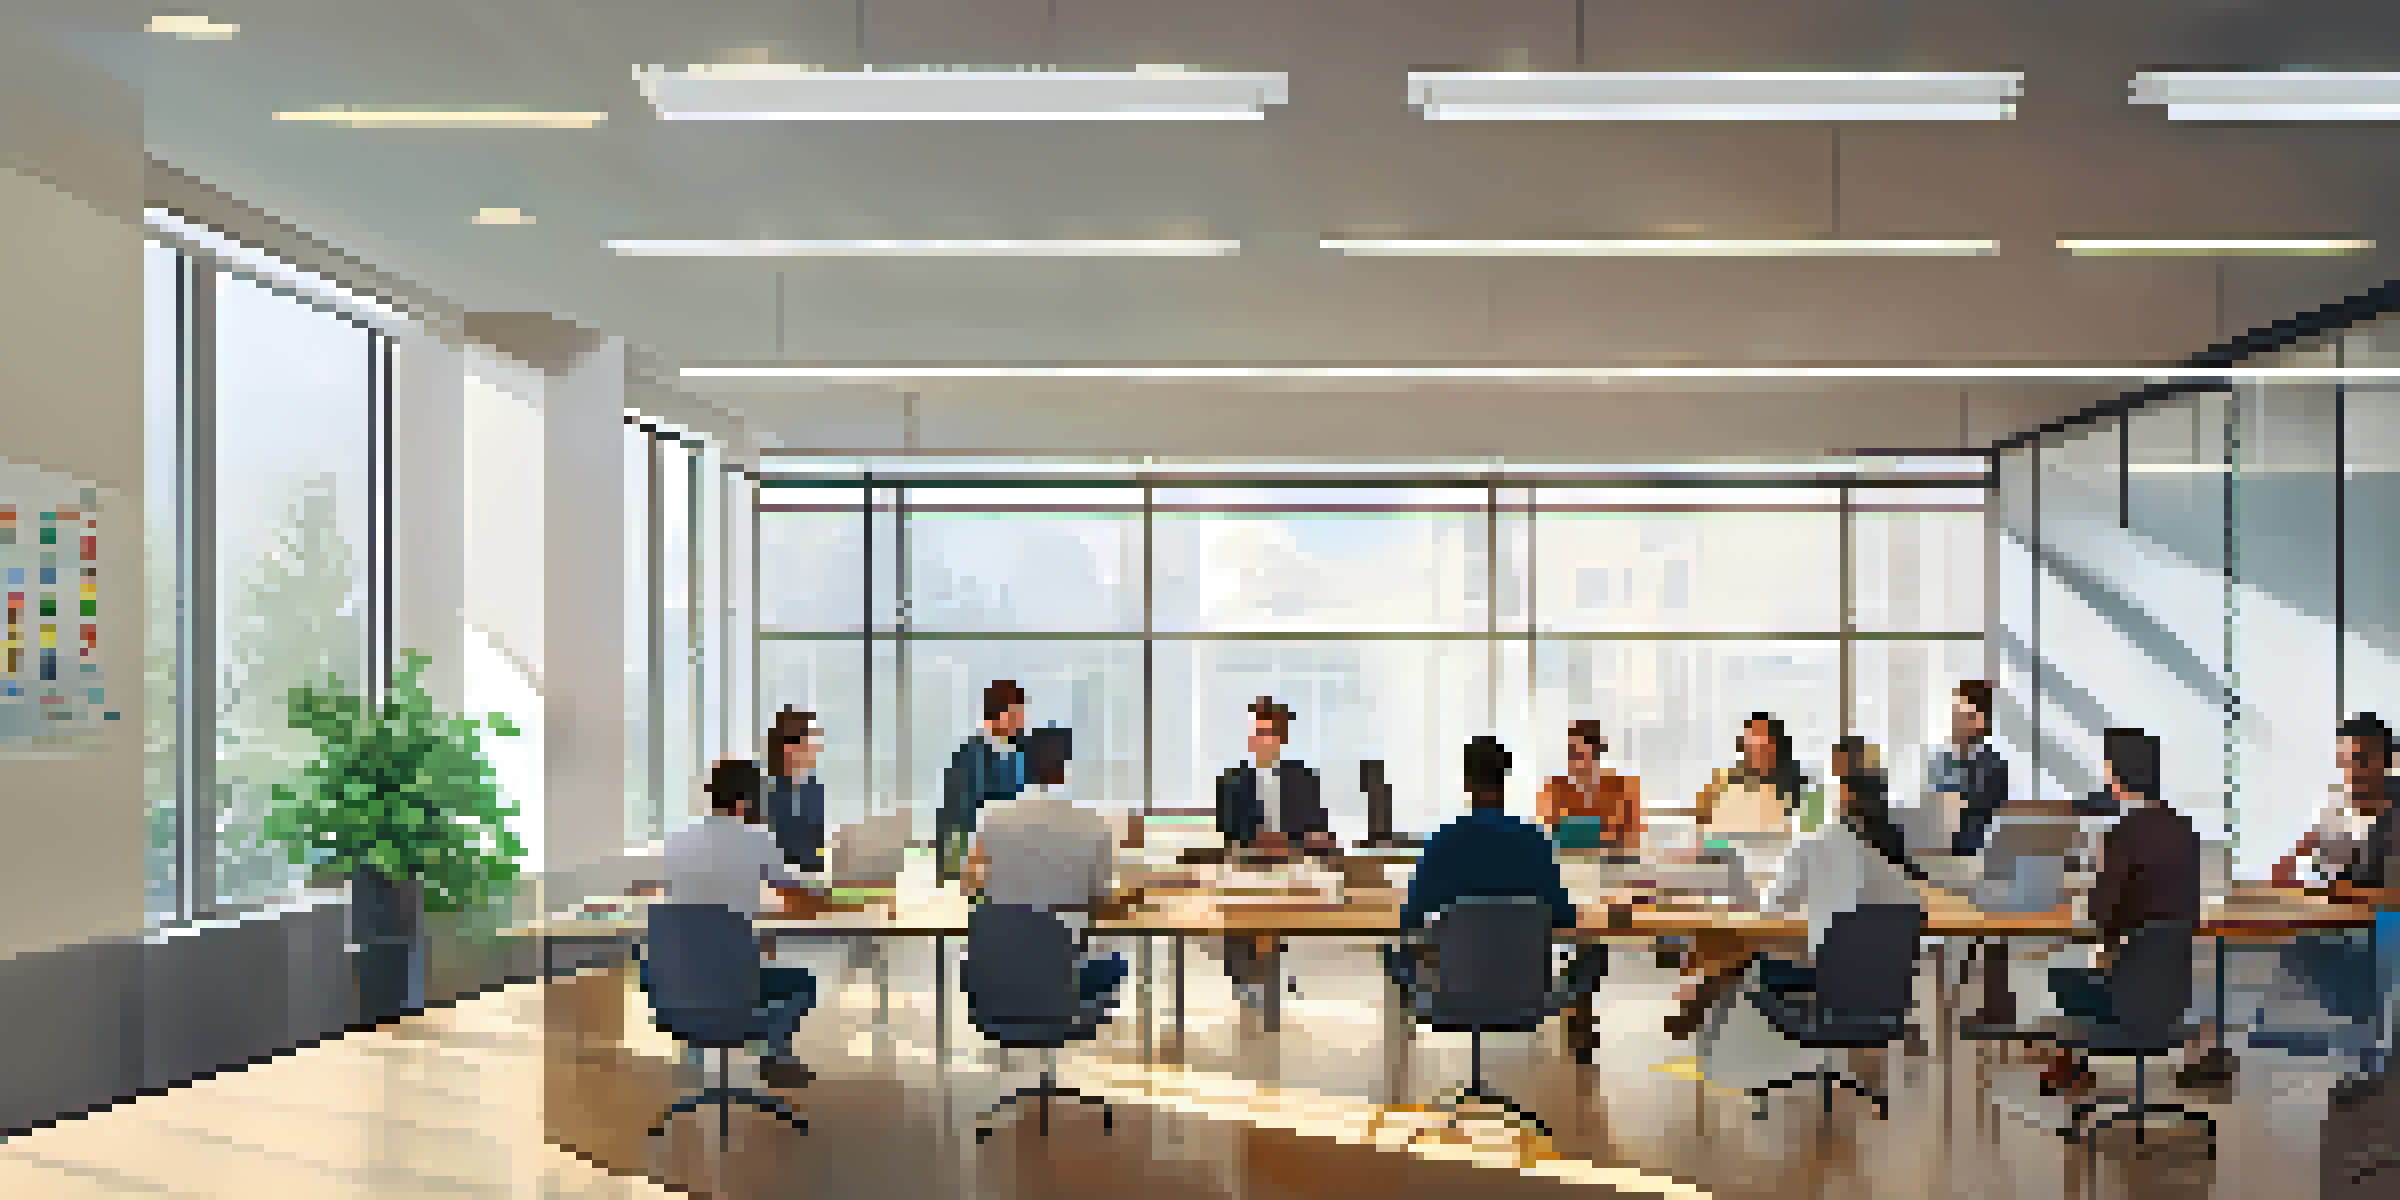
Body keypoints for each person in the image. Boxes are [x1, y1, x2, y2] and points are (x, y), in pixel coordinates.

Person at [1388, 736, 1611, 1063]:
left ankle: (1399, 1065)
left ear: (1466, 782)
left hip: (1451, 999)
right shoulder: (1535, 842)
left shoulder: (1443, 843)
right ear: (1504, 780)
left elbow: (1408, 919)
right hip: (1530, 998)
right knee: (1595, 949)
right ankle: (1579, 1041)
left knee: (1391, 949)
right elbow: (1563, 919)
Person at [2040, 728, 2204, 1097]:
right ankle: (2071, 1066)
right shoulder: (2185, 830)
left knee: (2062, 975)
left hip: (2128, 1000)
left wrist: (2098, 871)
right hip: (2173, 996)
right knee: (2102, 962)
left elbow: (2100, 916)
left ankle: (2071, 1067)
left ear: (2116, 777)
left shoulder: (2122, 835)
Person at [653, 758, 821, 1090]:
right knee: (802, 983)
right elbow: (799, 904)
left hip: (676, 985)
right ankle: (770, 1052)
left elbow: (675, 898)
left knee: (732, 963)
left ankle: (700, 1062)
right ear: (747, 801)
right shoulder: (757, 840)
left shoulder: (676, 840)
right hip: (736, 980)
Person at [2268, 714, 2396, 1090]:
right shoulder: (2335, 803)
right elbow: (2305, 851)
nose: (2351, 770)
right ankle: (2359, 1043)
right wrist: (2294, 862)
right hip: (2347, 916)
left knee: (2380, 945)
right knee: (2302, 946)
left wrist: (2348, 892)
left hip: (2386, 923)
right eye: (2344, 759)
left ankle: (2370, 1059)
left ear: (2386, 761)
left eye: (2362, 759)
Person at [964, 725, 1129, 1009]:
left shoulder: (990, 818)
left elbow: (971, 885)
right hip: (1066, 980)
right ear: (1065, 768)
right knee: (1115, 963)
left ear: (1023, 766)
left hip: (997, 983)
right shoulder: (1095, 824)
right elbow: (1100, 905)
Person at [1754, 738, 1927, 990]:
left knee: (1757, 964)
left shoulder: (1815, 846)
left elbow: (1770, 908)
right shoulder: (1892, 843)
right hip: (1885, 991)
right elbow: (1914, 899)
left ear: (1845, 793)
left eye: (1837, 781)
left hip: (1829, 977)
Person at [1214, 697, 1332, 1009]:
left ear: (1282, 738)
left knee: (1290, 892)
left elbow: (1317, 825)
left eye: (1268, 732)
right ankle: (1247, 978)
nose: (1261, 739)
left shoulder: (1303, 778)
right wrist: (1255, 840)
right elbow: (1226, 828)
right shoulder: (1232, 780)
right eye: (1257, 732)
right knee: (1243, 897)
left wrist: (1294, 842)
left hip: (1291, 860)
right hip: (1247, 861)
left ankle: (1268, 973)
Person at [939, 680, 1029, 884]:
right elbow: (954, 819)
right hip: (978, 869)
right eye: (1015, 715)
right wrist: (958, 872)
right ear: (994, 716)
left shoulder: (1024, 756)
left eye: (1022, 715)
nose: (1021, 722)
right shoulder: (967, 758)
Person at [1696, 713, 1813, 839]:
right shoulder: (1723, 780)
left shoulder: (1796, 790)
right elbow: (1701, 820)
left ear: (1777, 745)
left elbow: (1801, 831)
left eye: (1762, 740)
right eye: (1749, 740)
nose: (1753, 746)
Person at [1537, 720, 1644, 850]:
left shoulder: (1624, 788)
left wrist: (1574, 830)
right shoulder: (1554, 788)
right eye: (1572, 753)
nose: (1574, 760)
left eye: (1580, 754)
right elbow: (1547, 835)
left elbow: (1630, 837)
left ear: (1596, 753)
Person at [1931, 680, 2010, 856]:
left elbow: (1984, 820)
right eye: (1954, 714)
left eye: (1964, 716)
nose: (1956, 722)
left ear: (1981, 721)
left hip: (1972, 855)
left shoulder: (1992, 765)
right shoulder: (1941, 759)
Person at [762, 707, 826, 873]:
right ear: (788, 746)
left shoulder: (815, 789)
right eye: (811, 740)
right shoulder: (765, 793)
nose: (817, 748)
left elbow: (814, 853)